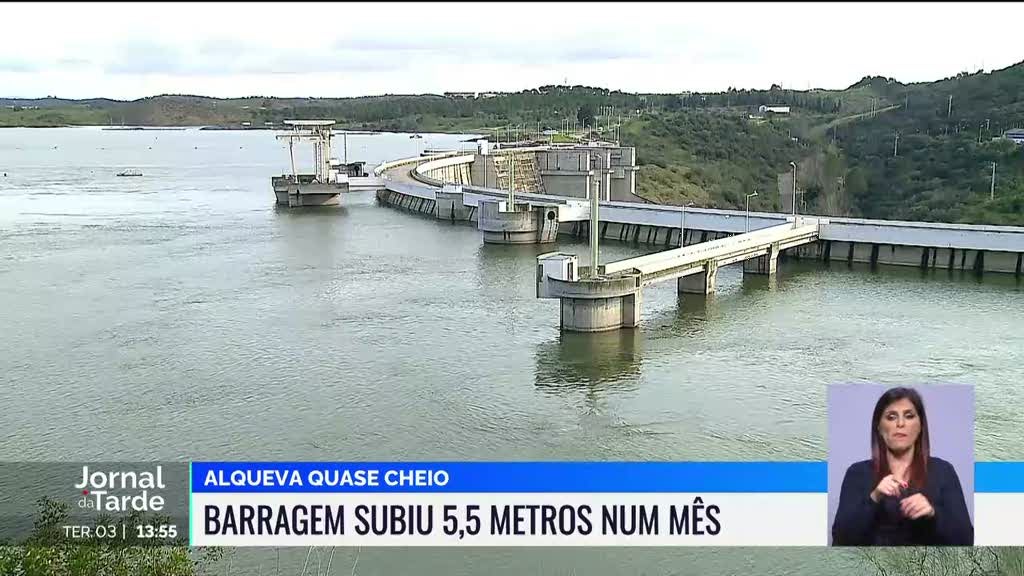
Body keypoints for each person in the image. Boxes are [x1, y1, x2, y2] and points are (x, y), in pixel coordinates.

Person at [831, 386, 973, 546]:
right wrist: (874, 497)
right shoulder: (857, 473)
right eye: (891, 417)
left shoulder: (943, 471)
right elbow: (840, 540)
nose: (900, 423)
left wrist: (933, 513)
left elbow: (966, 540)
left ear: (920, 426)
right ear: (879, 427)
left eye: (909, 416)